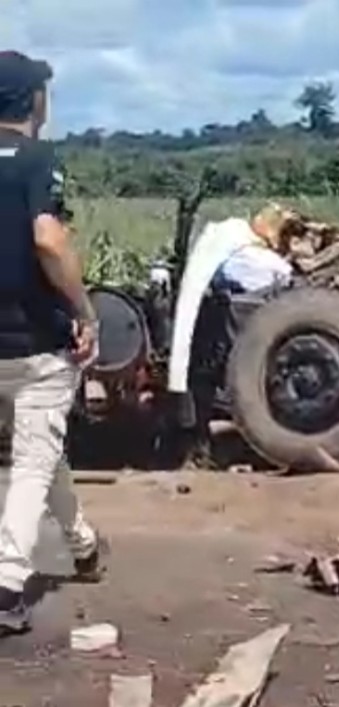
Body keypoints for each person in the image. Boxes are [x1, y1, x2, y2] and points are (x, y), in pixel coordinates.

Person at [0, 51, 104, 634]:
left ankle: (83, 545)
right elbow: (48, 241)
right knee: (33, 461)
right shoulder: (38, 160)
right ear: (33, 101)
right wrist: (84, 310)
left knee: (43, 450)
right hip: (35, 343)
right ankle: (8, 584)